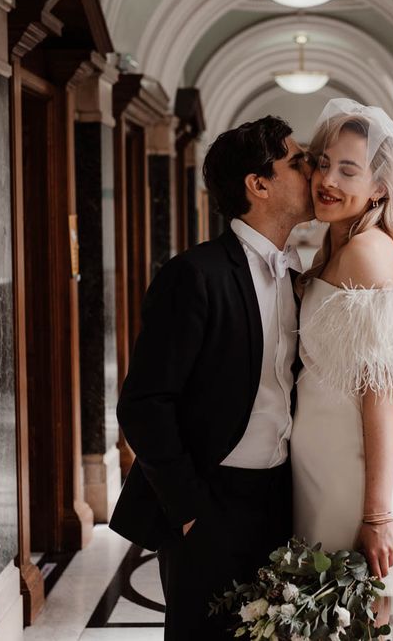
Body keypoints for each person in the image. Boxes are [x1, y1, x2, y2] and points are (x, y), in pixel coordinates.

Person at [109, 115, 314, 640]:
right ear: (259, 184)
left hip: (280, 498)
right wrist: (190, 510)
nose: (311, 171)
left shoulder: (296, 275)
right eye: (297, 161)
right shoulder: (195, 275)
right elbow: (144, 402)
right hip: (209, 502)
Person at [291, 98, 393, 638]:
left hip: (358, 486)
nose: (327, 179)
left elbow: (383, 400)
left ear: (379, 187)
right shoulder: (337, 246)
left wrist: (376, 517)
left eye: (348, 170)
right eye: (323, 163)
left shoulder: (368, 253)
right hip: (325, 477)